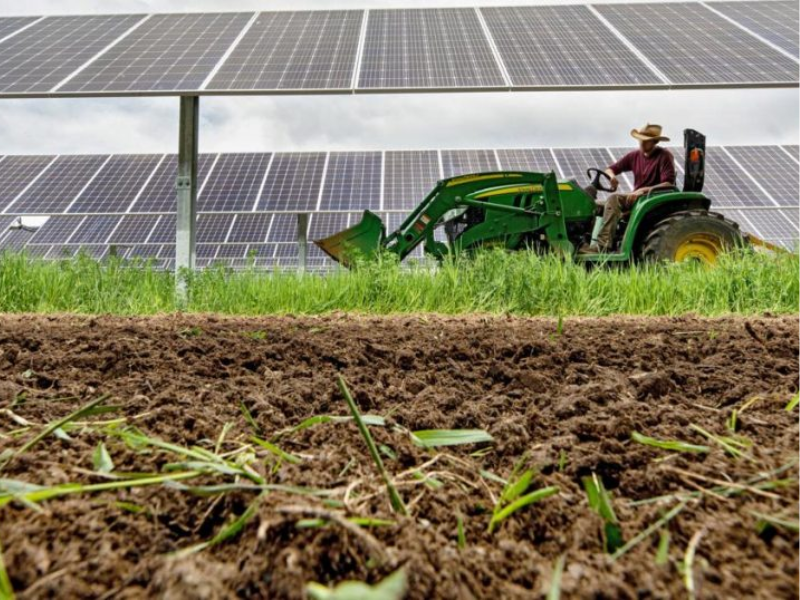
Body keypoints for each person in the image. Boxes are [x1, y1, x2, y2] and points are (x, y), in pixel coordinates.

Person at [580, 124, 676, 253]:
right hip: (636, 197)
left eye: (645, 141)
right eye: (640, 139)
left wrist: (641, 190)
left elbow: (668, 184)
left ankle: (602, 246)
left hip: (651, 198)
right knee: (595, 205)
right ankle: (584, 241)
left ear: (655, 142)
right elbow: (610, 169)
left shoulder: (664, 156)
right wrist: (612, 177)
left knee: (614, 199)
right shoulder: (634, 156)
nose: (641, 143)